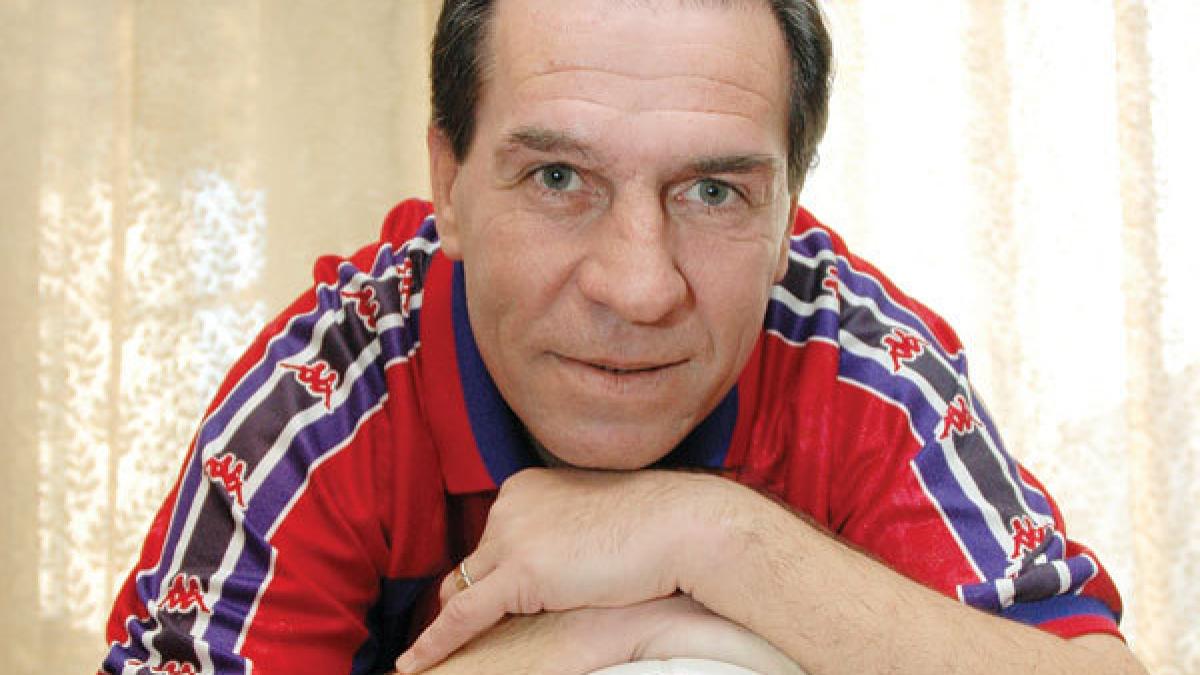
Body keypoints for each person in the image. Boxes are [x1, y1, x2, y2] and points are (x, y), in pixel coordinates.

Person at [101, 1, 1146, 673]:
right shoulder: (322, 404)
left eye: (713, 190)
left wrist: (710, 538)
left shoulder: (859, 360)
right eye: (558, 177)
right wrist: (564, 643)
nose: (640, 288)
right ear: (449, 184)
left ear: (789, 211)